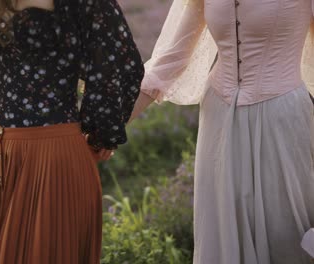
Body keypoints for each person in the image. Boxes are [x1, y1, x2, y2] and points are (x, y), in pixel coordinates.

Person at [0, 0, 144, 263]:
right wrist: (100, 132)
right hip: (20, 152)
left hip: (33, 153)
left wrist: (99, 131)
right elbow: (124, 65)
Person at [129, 0, 314, 263]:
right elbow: (170, 61)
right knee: (221, 230)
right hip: (218, 122)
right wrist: (110, 126)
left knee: (284, 234)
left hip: (281, 120)